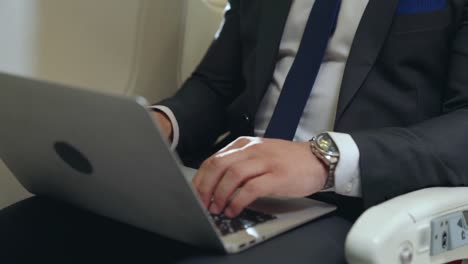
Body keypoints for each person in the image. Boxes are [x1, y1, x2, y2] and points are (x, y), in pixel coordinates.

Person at [1, 0, 467, 263]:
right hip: (229, 186)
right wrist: (162, 124)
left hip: (351, 203)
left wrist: (323, 159)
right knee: (21, 231)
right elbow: (217, 87)